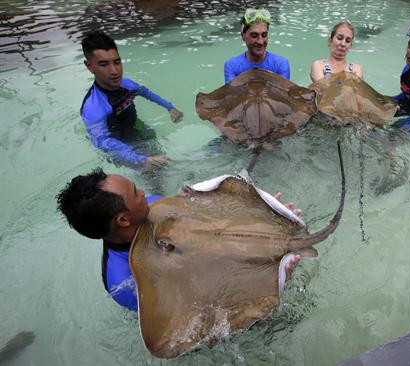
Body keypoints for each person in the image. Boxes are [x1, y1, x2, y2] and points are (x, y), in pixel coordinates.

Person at [56, 169, 302, 311]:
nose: (143, 193)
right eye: (135, 193)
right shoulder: (125, 283)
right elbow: (199, 317)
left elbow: (207, 220)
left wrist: (258, 214)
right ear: (122, 220)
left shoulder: (150, 206)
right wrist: (271, 287)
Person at [80, 31, 184, 170]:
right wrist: (139, 160)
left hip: (137, 129)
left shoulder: (127, 84)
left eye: (117, 62)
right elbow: (101, 141)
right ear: (89, 66)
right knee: (153, 174)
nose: (114, 71)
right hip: (120, 145)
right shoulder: (93, 107)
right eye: (104, 64)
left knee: (165, 164)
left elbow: (146, 93)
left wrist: (170, 107)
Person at [224, 8, 290, 84]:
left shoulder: (280, 64)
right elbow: (231, 94)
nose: (260, 42)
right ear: (243, 36)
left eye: (264, 35)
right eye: (254, 35)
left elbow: (284, 95)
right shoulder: (232, 66)